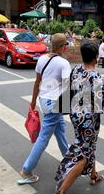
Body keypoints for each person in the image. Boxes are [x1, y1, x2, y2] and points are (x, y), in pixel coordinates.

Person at [52, 42, 104, 194]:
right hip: (88, 121)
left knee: (88, 146)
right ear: (96, 57)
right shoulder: (96, 78)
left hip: (76, 116)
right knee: (83, 156)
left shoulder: (76, 70)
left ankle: (93, 175)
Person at [18, 33, 71, 185]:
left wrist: (33, 102)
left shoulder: (42, 59)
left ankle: (68, 162)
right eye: (65, 45)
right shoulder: (63, 63)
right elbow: (67, 87)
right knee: (43, 138)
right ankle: (26, 170)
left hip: (44, 100)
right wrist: (68, 108)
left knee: (60, 130)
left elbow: (37, 83)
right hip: (55, 104)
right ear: (62, 47)